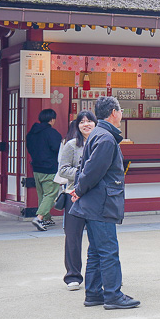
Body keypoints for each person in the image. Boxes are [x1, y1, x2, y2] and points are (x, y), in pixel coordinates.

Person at [68, 96, 139, 310]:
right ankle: (113, 294)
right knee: (108, 250)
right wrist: (79, 189)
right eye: (120, 110)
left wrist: (79, 189)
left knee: (96, 250)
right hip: (102, 201)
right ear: (114, 113)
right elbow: (92, 170)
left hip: (94, 201)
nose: (121, 114)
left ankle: (94, 293)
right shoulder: (106, 138)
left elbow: (85, 167)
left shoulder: (97, 134)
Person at [58, 110, 97, 290]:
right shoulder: (71, 145)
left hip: (96, 196)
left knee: (99, 237)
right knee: (73, 237)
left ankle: (102, 275)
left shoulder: (101, 143)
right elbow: (63, 170)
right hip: (73, 196)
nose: (86, 124)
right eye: (82, 122)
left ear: (96, 123)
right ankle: (72, 276)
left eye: (89, 121)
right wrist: (84, 174)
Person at [26, 108, 64, 231]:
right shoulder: (52, 133)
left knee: (41, 194)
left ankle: (46, 219)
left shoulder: (31, 133)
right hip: (50, 168)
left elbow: (29, 148)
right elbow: (58, 149)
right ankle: (39, 218)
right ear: (52, 120)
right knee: (50, 194)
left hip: (36, 168)